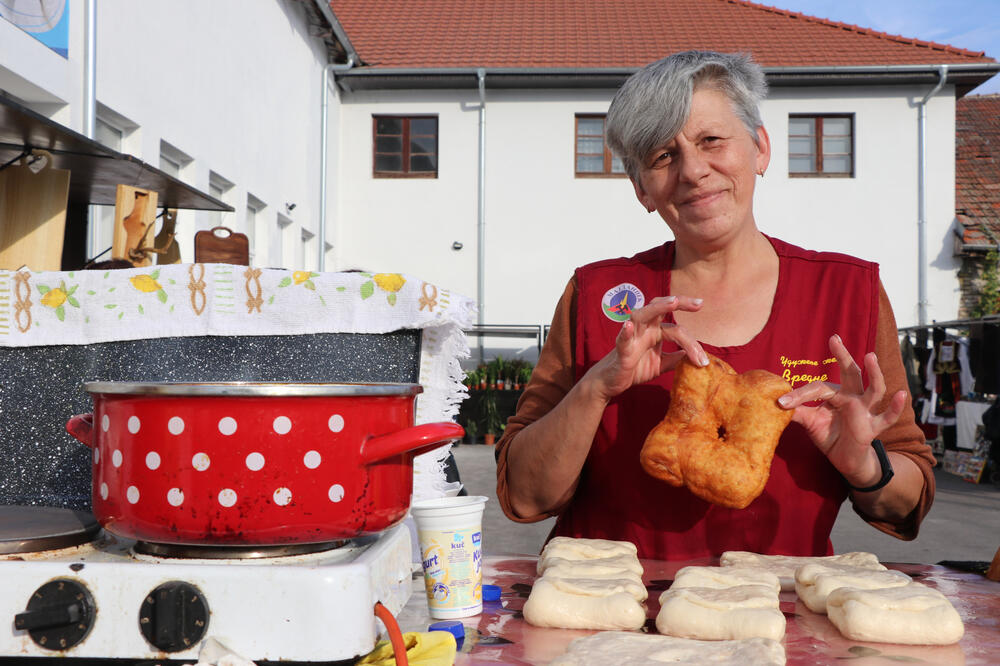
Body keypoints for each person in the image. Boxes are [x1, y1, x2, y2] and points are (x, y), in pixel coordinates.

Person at [494, 51, 936, 561]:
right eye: (663, 157)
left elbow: (907, 503)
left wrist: (863, 462)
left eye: (711, 140)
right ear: (641, 189)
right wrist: (595, 389)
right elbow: (525, 497)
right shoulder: (599, 296)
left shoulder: (846, 293)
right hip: (607, 617)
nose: (693, 171)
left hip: (778, 622)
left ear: (761, 148)